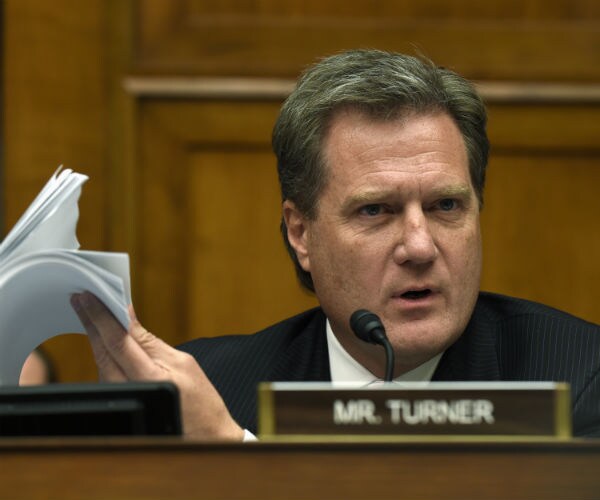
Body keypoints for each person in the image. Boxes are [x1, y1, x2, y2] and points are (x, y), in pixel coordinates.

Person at [70, 49, 600, 440]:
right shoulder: (210, 391)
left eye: (445, 206)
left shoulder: (580, 376)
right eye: (375, 210)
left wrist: (236, 465)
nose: (420, 247)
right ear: (301, 233)